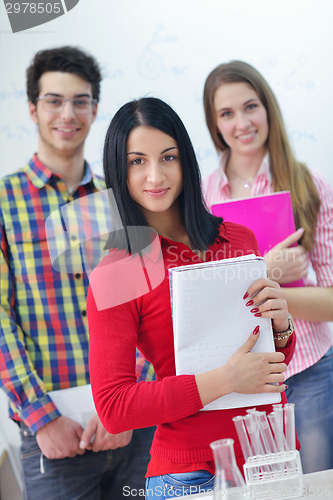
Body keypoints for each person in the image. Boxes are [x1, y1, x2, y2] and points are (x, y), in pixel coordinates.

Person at [87, 97, 297, 499]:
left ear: (186, 160)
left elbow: (272, 363)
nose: (155, 175)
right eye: (137, 162)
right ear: (119, 171)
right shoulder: (117, 272)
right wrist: (224, 380)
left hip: (272, 453)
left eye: (168, 157)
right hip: (190, 477)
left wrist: (282, 325)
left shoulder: (239, 239)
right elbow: (114, 408)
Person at [0, 46, 155, 500]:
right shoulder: (5, 203)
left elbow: (150, 306)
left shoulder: (123, 198)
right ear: (32, 107)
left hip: (133, 431)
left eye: (80, 101)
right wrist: (40, 415)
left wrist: (129, 406)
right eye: (53, 100)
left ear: (94, 108)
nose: (67, 113)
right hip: (54, 436)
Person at [202, 60, 333, 474]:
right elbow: (203, 301)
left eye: (251, 106)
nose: (242, 122)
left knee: (316, 487)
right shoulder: (201, 196)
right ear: (215, 124)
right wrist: (268, 270)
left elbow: (331, 302)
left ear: (268, 109)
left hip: (309, 374)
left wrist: (269, 290)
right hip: (240, 380)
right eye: (227, 113)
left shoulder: (309, 184)